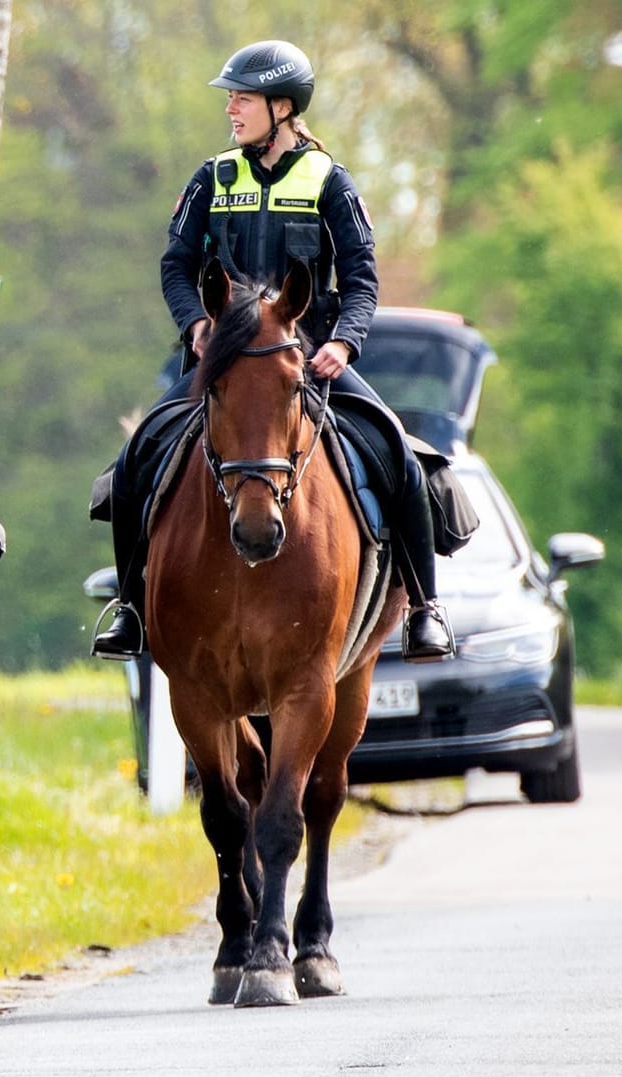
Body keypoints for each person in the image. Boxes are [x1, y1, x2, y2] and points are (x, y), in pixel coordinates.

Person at [92, 40, 455, 663]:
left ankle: (425, 608)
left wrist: (344, 340)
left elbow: (362, 278)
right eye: (230, 97)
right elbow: (177, 266)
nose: (231, 108)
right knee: (135, 459)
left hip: (307, 362)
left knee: (397, 451)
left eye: (243, 98)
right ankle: (129, 606)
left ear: (282, 107)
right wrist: (195, 328)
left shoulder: (330, 181)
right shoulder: (212, 178)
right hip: (226, 364)